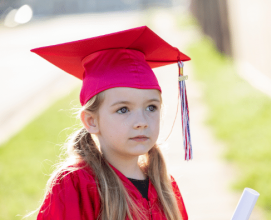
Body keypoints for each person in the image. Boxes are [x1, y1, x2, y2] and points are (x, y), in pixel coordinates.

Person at [30, 26, 191, 220]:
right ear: (91, 121)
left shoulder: (166, 186)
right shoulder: (77, 184)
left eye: (151, 107)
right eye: (123, 109)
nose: (141, 122)